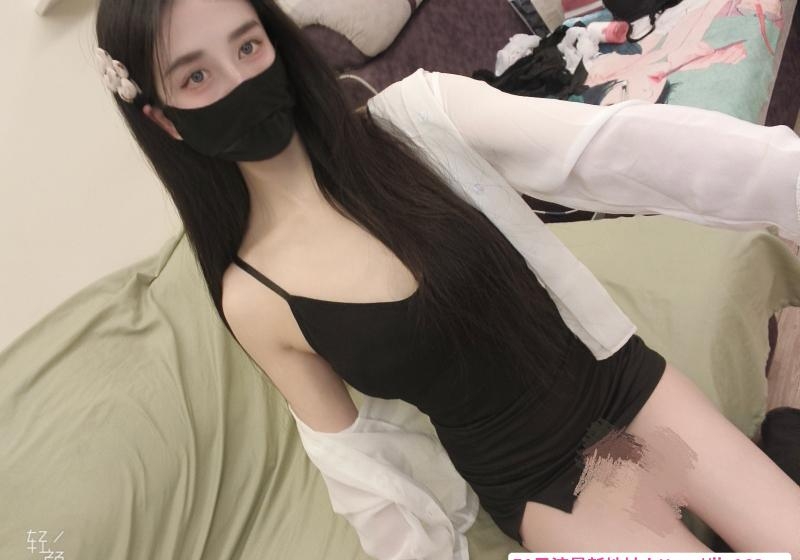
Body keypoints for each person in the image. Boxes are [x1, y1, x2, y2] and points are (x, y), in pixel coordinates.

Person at [93, 0, 800, 554]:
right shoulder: (251, 296)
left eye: (248, 46)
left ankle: (782, 426)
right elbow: (361, 470)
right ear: (164, 120)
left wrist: (788, 181)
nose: (239, 81)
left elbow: (616, 149)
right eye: (196, 76)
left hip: (620, 380)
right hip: (542, 483)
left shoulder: (417, 118)